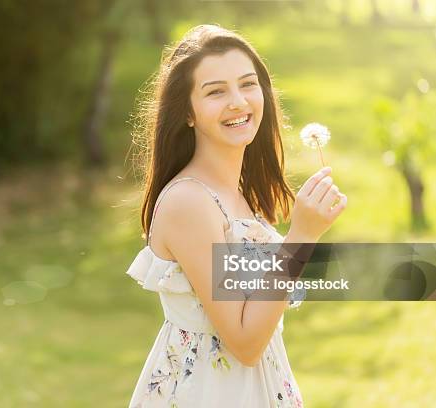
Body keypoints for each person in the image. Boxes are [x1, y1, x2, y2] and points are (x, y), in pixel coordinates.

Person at [126, 24, 347, 407]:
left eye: (247, 84)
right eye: (215, 92)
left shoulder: (237, 193)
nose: (238, 102)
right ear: (188, 114)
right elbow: (244, 341)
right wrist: (302, 235)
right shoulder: (190, 203)